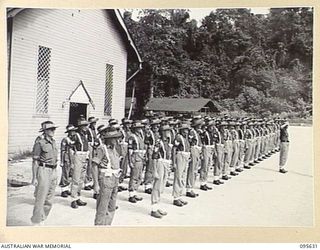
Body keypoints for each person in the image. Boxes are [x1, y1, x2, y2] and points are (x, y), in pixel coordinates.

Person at [92, 126, 122, 225]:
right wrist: (96, 184)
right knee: (102, 208)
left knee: (112, 207)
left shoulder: (115, 149)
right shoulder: (102, 149)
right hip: (105, 179)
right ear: (109, 139)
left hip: (115, 179)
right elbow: (94, 165)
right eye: (115, 138)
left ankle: (106, 226)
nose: (117, 140)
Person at [31, 121, 58, 225]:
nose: (53, 131)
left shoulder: (54, 141)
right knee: (40, 198)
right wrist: (34, 178)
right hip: (44, 170)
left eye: (54, 129)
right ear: (45, 131)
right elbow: (35, 161)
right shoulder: (40, 143)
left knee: (50, 199)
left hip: (53, 170)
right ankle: (36, 221)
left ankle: (42, 218)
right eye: (51, 129)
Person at [150, 124, 172, 218]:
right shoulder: (159, 142)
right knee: (157, 186)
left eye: (168, 131)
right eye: (166, 131)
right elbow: (154, 157)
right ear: (162, 132)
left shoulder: (166, 142)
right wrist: (154, 171)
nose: (168, 133)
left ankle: (157, 205)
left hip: (165, 163)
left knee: (162, 186)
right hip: (159, 163)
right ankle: (153, 208)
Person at [70, 118, 90, 209]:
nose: (86, 127)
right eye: (84, 125)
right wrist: (72, 161)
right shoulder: (76, 135)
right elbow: (70, 148)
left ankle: (78, 197)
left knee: (81, 178)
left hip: (84, 156)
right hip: (78, 156)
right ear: (80, 127)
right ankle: (73, 199)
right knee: (76, 179)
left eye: (86, 125)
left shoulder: (84, 135)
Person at [127, 121, 147, 203]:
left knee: (139, 176)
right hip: (135, 157)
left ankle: (135, 192)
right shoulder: (132, 137)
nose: (140, 129)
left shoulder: (140, 136)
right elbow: (130, 150)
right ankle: (131, 194)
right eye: (138, 128)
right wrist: (130, 161)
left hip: (141, 157)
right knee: (134, 176)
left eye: (140, 128)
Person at [172, 123, 190, 207]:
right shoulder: (178, 137)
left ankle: (179, 195)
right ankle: (176, 198)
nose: (186, 131)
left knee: (183, 176)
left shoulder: (185, 137)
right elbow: (174, 149)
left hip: (186, 156)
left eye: (187, 130)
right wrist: (174, 161)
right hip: (180, 156)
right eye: (184, 130)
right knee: (178, 177)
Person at [187, 117, 203, 197]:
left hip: (197, 150)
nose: (200, 126)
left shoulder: (197, 132)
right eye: (199, 125)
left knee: (195, 169)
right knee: (192, 169)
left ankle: (191, 187)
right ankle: (189, 188)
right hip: (194, 149)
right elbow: (190, 143)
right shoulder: (192, 132)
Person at [59, 125, 76, 198]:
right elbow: (62, 151)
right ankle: (63, 190)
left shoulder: (75, 139)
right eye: (71, 131)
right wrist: (62, 161)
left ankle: (67, 188)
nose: (73, 133)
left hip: (73, 157)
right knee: (65, 174)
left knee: (71, 174)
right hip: (66, 157)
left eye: (74, 131)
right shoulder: (65, 139)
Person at [199, 119, 214, 191]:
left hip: (210, 149)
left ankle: (205, 182)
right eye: (210, 126)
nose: (212, 128)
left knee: (208, 165)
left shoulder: (211, 133)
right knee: (204, 166)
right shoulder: (204, 133)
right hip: (205, 148)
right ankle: (202, 183)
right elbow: (202, 143)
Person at [84, 117, 99, 192]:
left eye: (95, 123)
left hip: (94, 146)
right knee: (89, 164)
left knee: (94, 164)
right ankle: (87, 182)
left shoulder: (94, 130)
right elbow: (86, 140)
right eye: (93, 123)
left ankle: (92, 180)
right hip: (90, 146)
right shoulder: (88, 130)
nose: (94, 124)